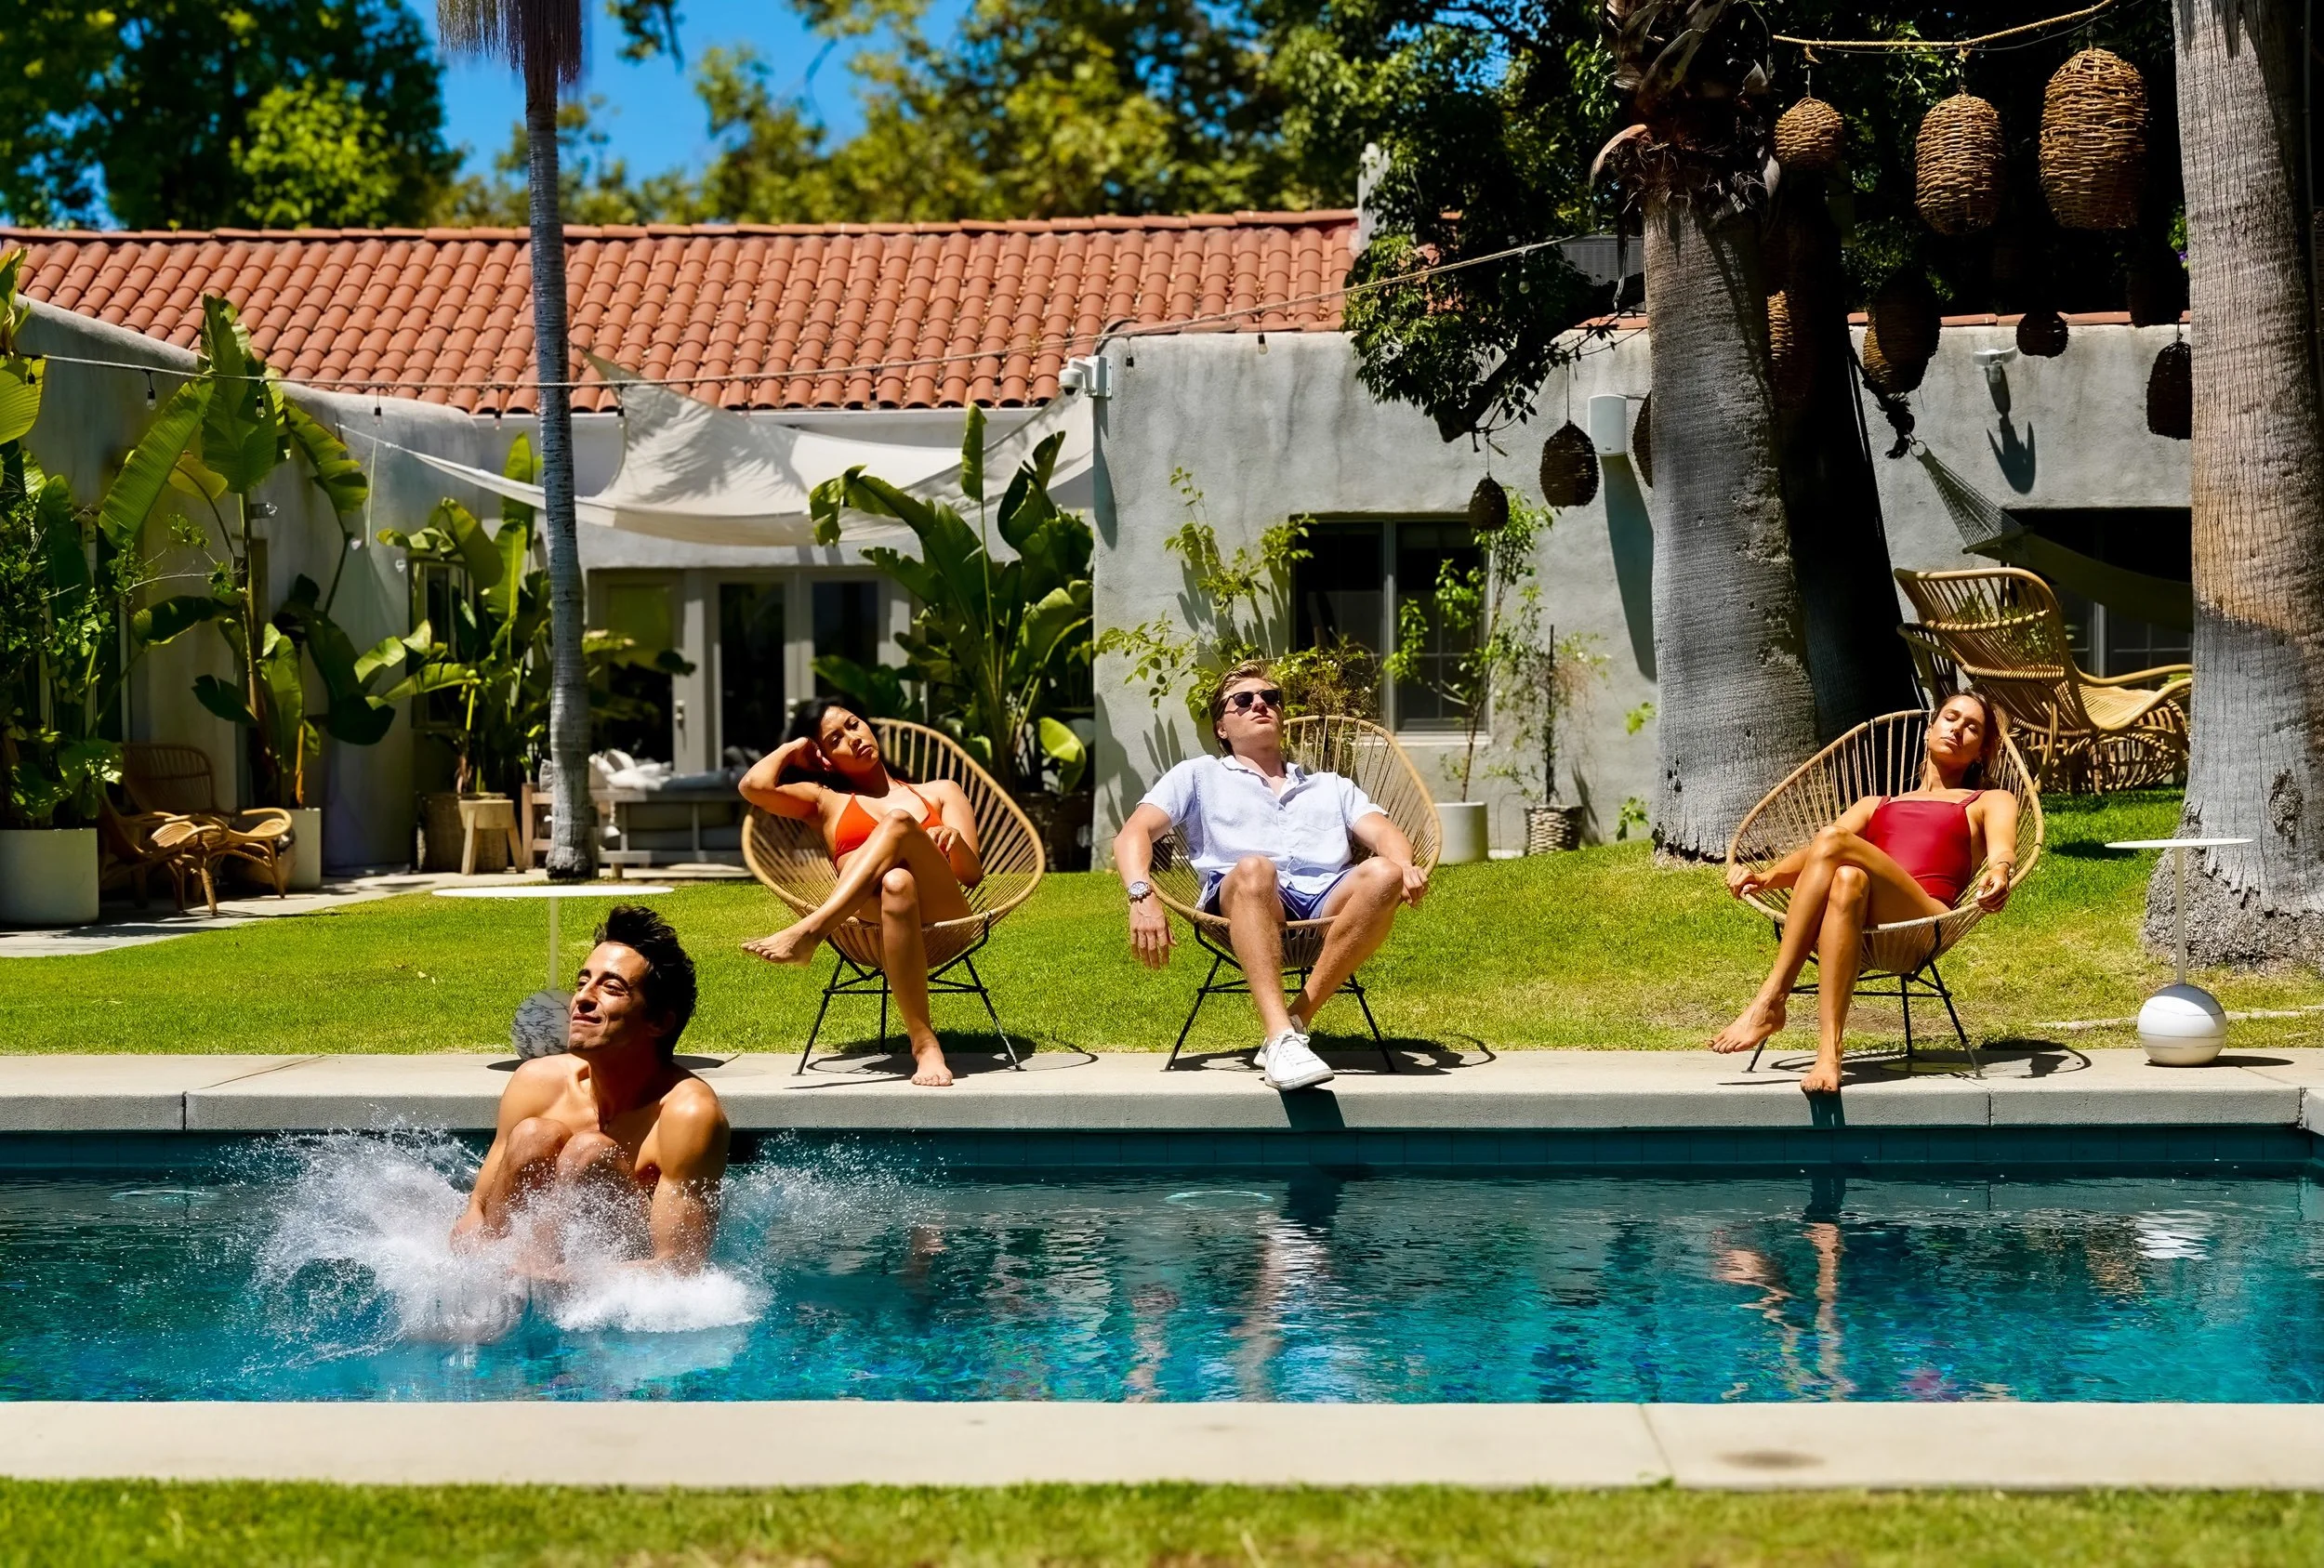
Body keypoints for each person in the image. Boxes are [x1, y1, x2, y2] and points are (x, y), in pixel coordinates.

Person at [1113, 661, 1428, 1091]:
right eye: (1243, 700)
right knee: (1255, 867)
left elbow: (1385, 834)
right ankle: (1281, 1037)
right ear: (1222, 727)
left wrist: (1404, 864)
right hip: (1246, 897)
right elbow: (1133, 833)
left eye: (1270, 697)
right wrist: (1141, 893)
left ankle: (1295, 1021)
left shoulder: (1330, 785)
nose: (1259, 704)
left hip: (1327, 902)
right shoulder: (1198, 775)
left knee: (1385, 872)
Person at [1710, 692, 2020, 1096]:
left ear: (1981, 751)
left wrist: (2000, 871)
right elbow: (1816, 854)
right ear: (1929, 729)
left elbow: (2003, 848)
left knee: (1834, 840)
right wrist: (1766, 877)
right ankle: (1829, 1053)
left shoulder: (1988, 800)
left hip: (1923, 919)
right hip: (1861, 916)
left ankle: (1771, 999)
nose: (1957, 729)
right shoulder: (1876, 804)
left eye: (1972, 727)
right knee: (1846, 879)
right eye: (1951, 718)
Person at [454, 905, 730, 1272]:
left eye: (611, 988)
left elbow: (679, 1267)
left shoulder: (688, 1114)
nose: (582, 997)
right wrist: (471, 1261)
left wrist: (564, 1279)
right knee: (534, 1134)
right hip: (530, 1270)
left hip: (614, 1278)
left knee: (590, 1152)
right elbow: (477, 1210)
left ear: (659, 1022)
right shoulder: (537, 1083)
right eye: (582, 982)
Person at [736, 696, 984, 1087]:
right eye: (834, 739)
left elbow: (971, 876)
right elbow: (753, 787)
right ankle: (925, 1046)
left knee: (900, 822)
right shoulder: (824, 800)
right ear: (824, 757)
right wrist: (795, 748)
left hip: (944, 915)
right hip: (872, 917)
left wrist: (953, 839)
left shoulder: (940, 791)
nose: (852, 738)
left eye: (853, 725)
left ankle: (811, 930)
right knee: (897, 882)